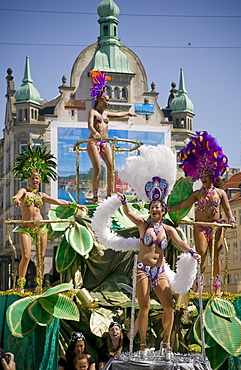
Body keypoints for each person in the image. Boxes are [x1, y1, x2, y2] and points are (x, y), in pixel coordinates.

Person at [92, 144, 201, 351]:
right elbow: (129, 216)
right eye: (152, 208)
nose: (154, 210)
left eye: (157, 208)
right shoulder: (143, 225)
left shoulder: (168, 229)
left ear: (163, 210)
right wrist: (122, 203)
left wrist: (192, 252)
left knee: (169, 307)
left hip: (159, 272)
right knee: (144, 307)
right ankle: (142, 344)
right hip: (142, 270)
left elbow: (180, 242)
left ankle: (166, 343)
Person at [169, 131, 237, 296]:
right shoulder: (197, 194)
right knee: (201, 255)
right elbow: (183, 204)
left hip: (217, 227)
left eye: (205, 175)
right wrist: (167, 209)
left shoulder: (220, 193)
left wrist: (232, 220)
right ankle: (198, 286)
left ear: (212, 176)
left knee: (216, 256)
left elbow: (227, 209)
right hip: (200, 227)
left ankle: (217, 287)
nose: (202, 177)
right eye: (201, 175)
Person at [12, 145, 87, 293]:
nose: (35, 181)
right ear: (28, 179)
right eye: (33, 178)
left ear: (40, 180)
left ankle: (39, 285)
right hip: (26, 228)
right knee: (26, 256)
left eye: (37, 179)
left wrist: (76, 205)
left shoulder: (41, 196)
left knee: (40, 257)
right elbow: (16, 196)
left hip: (41, 227)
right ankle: (20, 285)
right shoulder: (24, 192)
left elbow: (59, 201)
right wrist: (16, 200)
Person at [87, 70, 136, 204]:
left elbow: (118, 114)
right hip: (94, 142)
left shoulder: (106, 114)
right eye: (106, 101)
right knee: (97, 168)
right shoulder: (93, 112)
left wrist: (128, 113)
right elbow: (90, 125)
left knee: (111, 167)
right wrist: (95, 133)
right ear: (100, 99)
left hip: (106, 143)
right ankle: (95, 197)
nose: (108, 103)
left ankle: (110, 194)